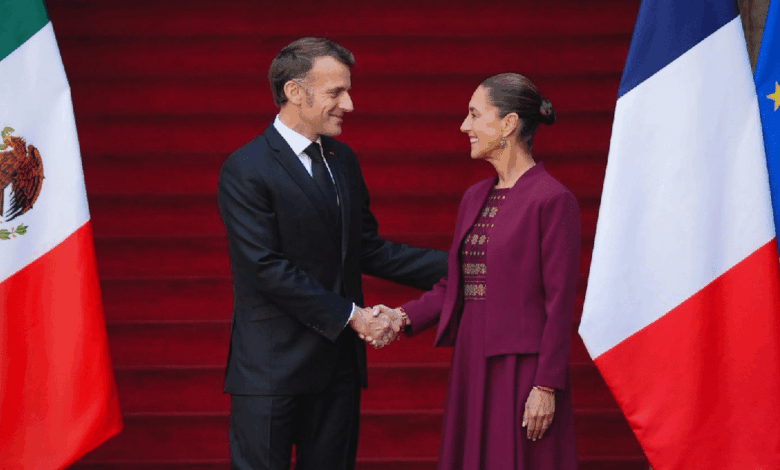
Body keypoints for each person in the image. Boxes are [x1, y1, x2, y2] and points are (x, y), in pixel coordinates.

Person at [217, 37, 447, 470]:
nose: (350, 104)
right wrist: (355, 316)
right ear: (295, 92)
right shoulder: (245, 168)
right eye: (335, 92)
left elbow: (367, 249)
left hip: (337, 368)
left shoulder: (343, 160)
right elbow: (266, 267)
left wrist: (468, 264)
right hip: (270, 369)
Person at [374, 73, 581, 469]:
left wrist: (546, 385)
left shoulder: (554, 200)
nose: (464, 126)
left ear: (508, 124)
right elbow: (458, 284)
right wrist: (401, 317)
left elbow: (560, 301)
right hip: (473, 360)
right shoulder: (474, 197)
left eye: (474, 114)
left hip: (521, 368)